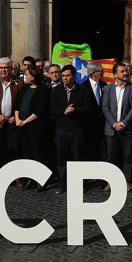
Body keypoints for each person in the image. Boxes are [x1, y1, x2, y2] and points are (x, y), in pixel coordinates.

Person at [49, 63, 92, 192]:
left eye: (67, 76)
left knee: (78, 157)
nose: (65, 78)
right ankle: (62, 183)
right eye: (63, 76)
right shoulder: (57, 90)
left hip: (77, 129)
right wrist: (64, 110)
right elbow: (52, 109)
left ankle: (80, 184)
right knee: (61, 158)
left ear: (74, 76)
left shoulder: (83, 90)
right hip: (61, 130)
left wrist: (74, 110)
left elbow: (88, 109)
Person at [101, 62, 132, 189]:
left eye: (126, 71)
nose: (125, 73)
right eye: (122, 71)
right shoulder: (107, 88)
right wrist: (114, 124)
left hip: (127, 128)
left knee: (128, 156)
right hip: (111, 129)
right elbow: (105, 108)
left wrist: (123, 123)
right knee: (111, 156)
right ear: (115, 75)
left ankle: (126, 181)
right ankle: (111, 181)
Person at [14, 66, 50, 188]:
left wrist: (25, 121)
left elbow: (40, 110)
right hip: (22, 128)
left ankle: (41, 179)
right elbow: (17, 104)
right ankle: (31, 178)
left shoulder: (43, 90)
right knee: (27, 154)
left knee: (38, 154)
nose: (26, 76)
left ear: (34, 76)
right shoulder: (25, 88)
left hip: (35, 128)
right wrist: (18, 119)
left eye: (28, 74)